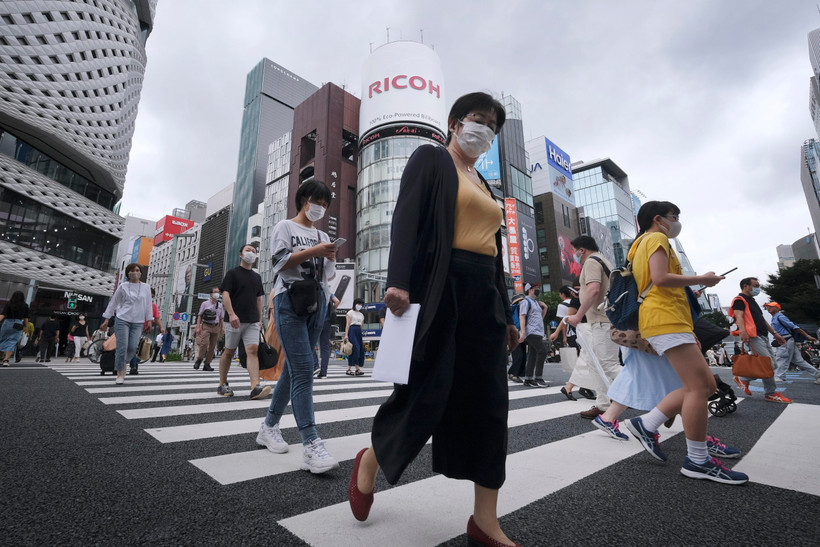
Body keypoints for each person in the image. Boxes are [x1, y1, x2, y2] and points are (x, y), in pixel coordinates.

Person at [348, 92, 521, 547]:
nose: (484, 130)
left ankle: (485, 520)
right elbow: (405, 219)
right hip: (440, 289)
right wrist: (398, 281)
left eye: (492, 126)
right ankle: (371, 459)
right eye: (478, 120)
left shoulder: (484, 184)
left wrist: (504, 311)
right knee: (425, 393)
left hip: (483, 295)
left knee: (490, 403)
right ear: (455, 122)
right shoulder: (431, 159)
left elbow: (495, 252)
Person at [619, 200, 748, 484]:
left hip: (669, 320)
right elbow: (661, 278)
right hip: (666, 319)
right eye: (673, 216)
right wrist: (703, 278)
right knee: (699, 387)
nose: (676, 221)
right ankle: (697, 460)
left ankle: (647, 423)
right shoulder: (656, 238)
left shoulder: (642, 242)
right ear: (658, 218)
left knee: (705, 386)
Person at [256, 180, 339, 473]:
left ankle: (268, 426)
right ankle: (311, 443)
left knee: (293, 371)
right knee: (304, 370)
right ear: (304, 199)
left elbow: (327, 274)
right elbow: (279, 263)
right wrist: (315, 250)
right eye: (318, 201)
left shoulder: (322, 233)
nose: (321, 208)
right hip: (289, 300)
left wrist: (329, 257)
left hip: (317, 302)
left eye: (326, 204)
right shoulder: (285, 228)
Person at [565, 235, 620, 419]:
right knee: (595, 363)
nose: (574, 255)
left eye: (575, 251)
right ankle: (603, 404)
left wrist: (578, 315)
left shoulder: (591, 262)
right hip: (603, 320)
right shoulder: (604, 260)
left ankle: (655, 396)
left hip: (603, 320)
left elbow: (594, 289)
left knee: (607, 364)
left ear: (582, 250)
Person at [216, 243, 271, 400]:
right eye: (248, 250)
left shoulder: (257, 277)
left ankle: (255, 386)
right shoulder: (232, 274)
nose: (251, 253)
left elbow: (259, 299)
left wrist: (260, 320)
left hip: (252, 320)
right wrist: (231, 314)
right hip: (234, 320)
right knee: (229, 351)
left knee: (252, 350)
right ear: (241, 255)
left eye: (254, 251)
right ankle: (222, 383)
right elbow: (225, 295)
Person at [729, 277, 792, 403]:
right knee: (767, 364)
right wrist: (743, 332)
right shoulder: (739, 300)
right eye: (755, 285)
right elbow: (739, 316)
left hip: (762, 335)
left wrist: (775, 334)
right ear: (746, 286)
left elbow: (761, 319)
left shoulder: (752, 301)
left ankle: (744, 379)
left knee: (772, 364)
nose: (758, 288)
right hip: (753, 335)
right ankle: (771, 393)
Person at [100, 263, 153, 384]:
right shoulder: (123, 286)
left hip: (138, 322)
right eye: (133, 270)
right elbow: (113, 303)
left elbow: (149, 304)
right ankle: (119, 372)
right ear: (128, 273)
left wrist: (149, 320)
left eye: (138, 270)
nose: (136, 272)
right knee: (122, 346)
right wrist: (106, 319)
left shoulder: (146, 287)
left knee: (133, 347)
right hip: (122, 319)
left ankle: (123, 363)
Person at [764, 301, 820, 384]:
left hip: (785, 340)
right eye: (767, 306)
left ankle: (780, 376)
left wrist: (807, 336)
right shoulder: (775, 317)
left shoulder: (780, 316)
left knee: (782, 358)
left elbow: (794, 327)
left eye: (771, 306)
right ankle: (818, 374)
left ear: (777, 308)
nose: (768, 308)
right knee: (799, 361)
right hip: (787, 340)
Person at [550, 286, 581, 399]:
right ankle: (576, 387)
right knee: (585, 360)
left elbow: (564, 320)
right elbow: (566, 319)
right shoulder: (578, 300)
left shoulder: (564, 304)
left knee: (584, 361)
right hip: (581, 334)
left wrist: (562, 336)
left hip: (574, 334)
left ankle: (571, 386)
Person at [519, 282, 548, 387]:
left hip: (538, 331)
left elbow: (540, 318)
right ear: (530, 290)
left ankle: (528, 379)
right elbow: (522, 317)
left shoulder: (536, 302)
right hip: (531, 332)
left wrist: (545, 308)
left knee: (533, 354)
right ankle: (538, 378)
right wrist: (523, 333)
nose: (537, 289)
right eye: (535, 288)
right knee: (542, 351)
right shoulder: (525, 302)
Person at [194, 287, 224, 371]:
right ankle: (199, 359)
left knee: (212, 346)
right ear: (211, 294)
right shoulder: (205, 304)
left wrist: (223, 328)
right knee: (204, 343)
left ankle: (207, 364)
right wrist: (198, 327)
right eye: (215, 292)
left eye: (218, 292)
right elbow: (200, 315)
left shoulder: (220, 305)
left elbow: (221, 318)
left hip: (216, 326)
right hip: (206, 326)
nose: (217, 294)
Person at [0, 291, 29, 366]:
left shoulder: (9, 304)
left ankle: (1, 356)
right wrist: (26, 327)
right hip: (18, 323)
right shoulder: (25, 305)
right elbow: (26, 318)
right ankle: (6, 360)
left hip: (7, 323)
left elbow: (2, 314)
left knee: (2, 339)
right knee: (12, 341)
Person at [314, 294, 340, 378]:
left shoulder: (314, 289)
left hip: (315, 320)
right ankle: (323, 372)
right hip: (327, 322)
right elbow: (337, 301)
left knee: (310, 344)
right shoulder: (328, 292)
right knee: (325, 347)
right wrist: (332, 309)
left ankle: (315, 366)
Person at [345, 298, 366, 376]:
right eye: (358, 304)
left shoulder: (361, 314)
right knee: (355, 348)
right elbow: (347, 324)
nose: (360, 306)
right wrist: (346, 335)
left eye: (361, 304)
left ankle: (349, 369)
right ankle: (357, 369)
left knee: (359, 349)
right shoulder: (350, 313)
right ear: (355, 304)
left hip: (358, 331)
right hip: (352, 330)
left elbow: (362, 324)